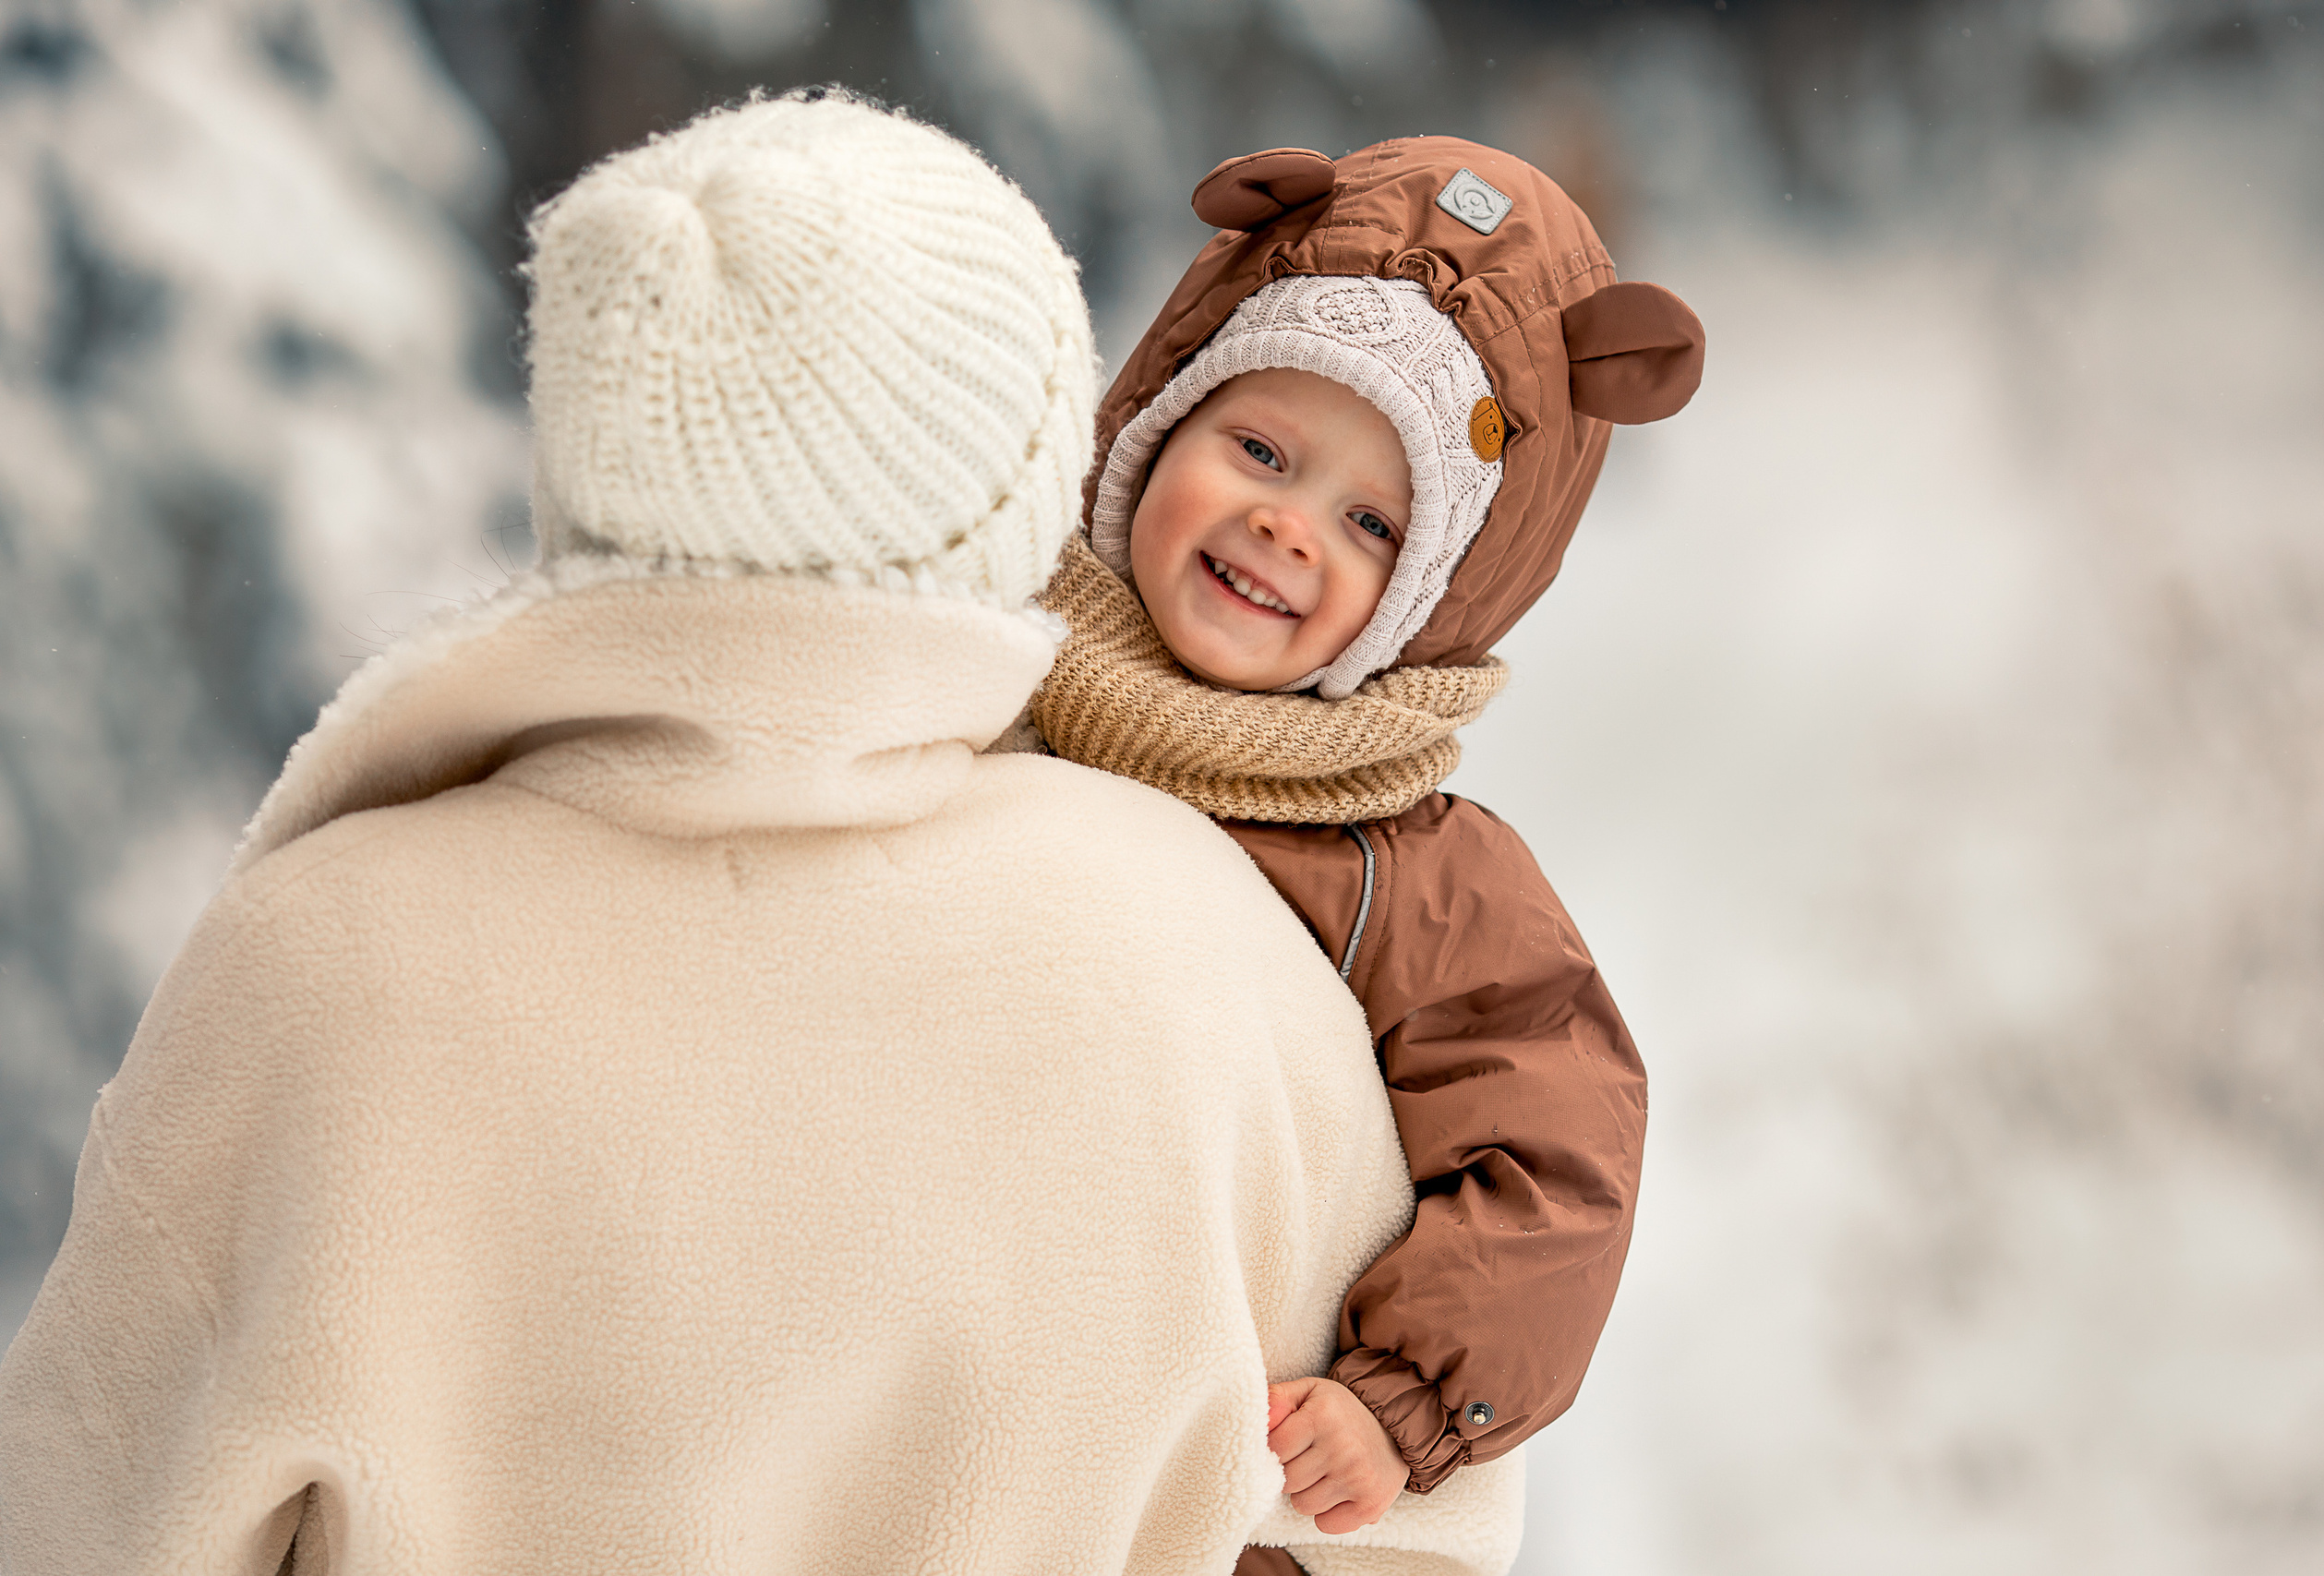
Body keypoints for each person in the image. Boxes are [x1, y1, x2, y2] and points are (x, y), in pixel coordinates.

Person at [0, 98, 1524, 1576]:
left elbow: (79, 1523)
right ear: (1017, 489)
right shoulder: (1217, 962)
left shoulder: (316, 963)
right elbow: (1417, 1538)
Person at [1011, 140, 1705, 1576]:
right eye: (1259, 451)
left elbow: (1557, 1161)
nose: (1286, 525)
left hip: (1189, 1500)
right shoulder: (987, 678)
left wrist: (1404, 1396)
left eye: (1373, 522)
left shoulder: (1421, 878)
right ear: (1152, 426)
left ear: (1433, 597)